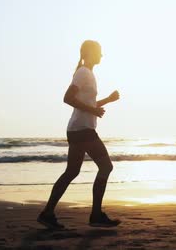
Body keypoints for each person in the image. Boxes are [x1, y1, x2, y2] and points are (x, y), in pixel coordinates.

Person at [38, 40, 121, 229]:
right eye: (99, 52)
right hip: (82, 130)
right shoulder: (83, 72)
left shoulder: (88, 73)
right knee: (106, 167)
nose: (102, 55)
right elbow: (67, 98)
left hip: (79, 129)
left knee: (72, 172)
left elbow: (88, 105)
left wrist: (108, 100)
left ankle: (47, 213)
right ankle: (96, 215)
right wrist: (93, 111)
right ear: (90, 53)